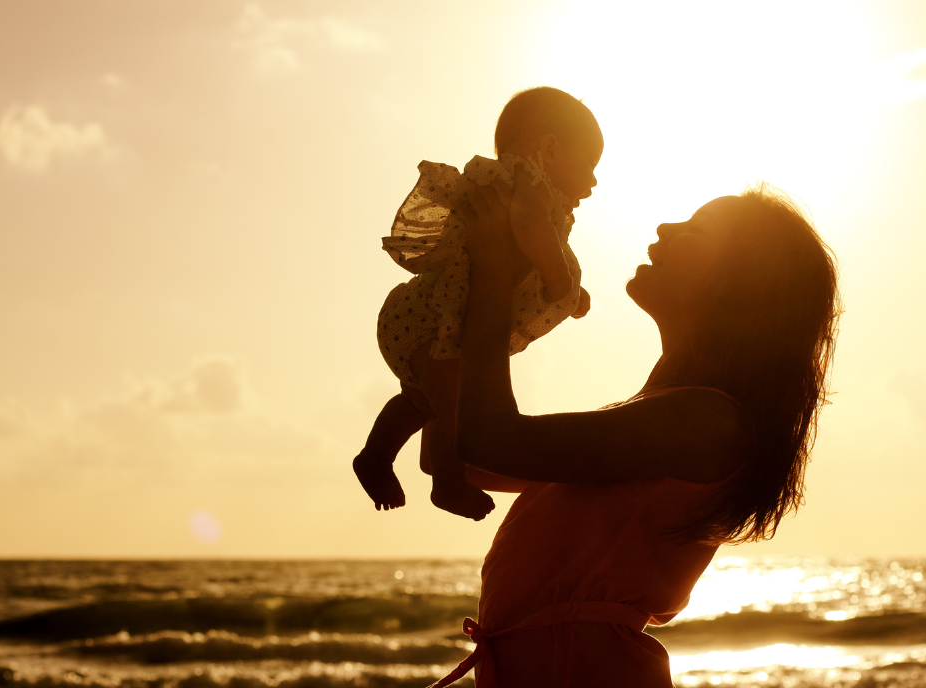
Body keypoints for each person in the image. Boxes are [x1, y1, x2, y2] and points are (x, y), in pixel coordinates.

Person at [427, 182, 840, 686]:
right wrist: (451, 304)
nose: (667, 228)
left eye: (695, 230)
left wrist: (495, 271)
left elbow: (488, 440)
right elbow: (456, 455)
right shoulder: (661, 413)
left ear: (742, 281)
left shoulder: (703, 421)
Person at [354, 87, 604, 520]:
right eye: (590, 163)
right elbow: (529, 232)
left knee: (423, 400)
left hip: (423, 319)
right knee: (450, 402)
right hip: (431, 320)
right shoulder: (525, 185)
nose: (595, 180)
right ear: (549, 148)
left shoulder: (530, 192)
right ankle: (448, 484)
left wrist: (569, 293)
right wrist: (561, 282)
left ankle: (375, 456)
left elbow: (524, 261)